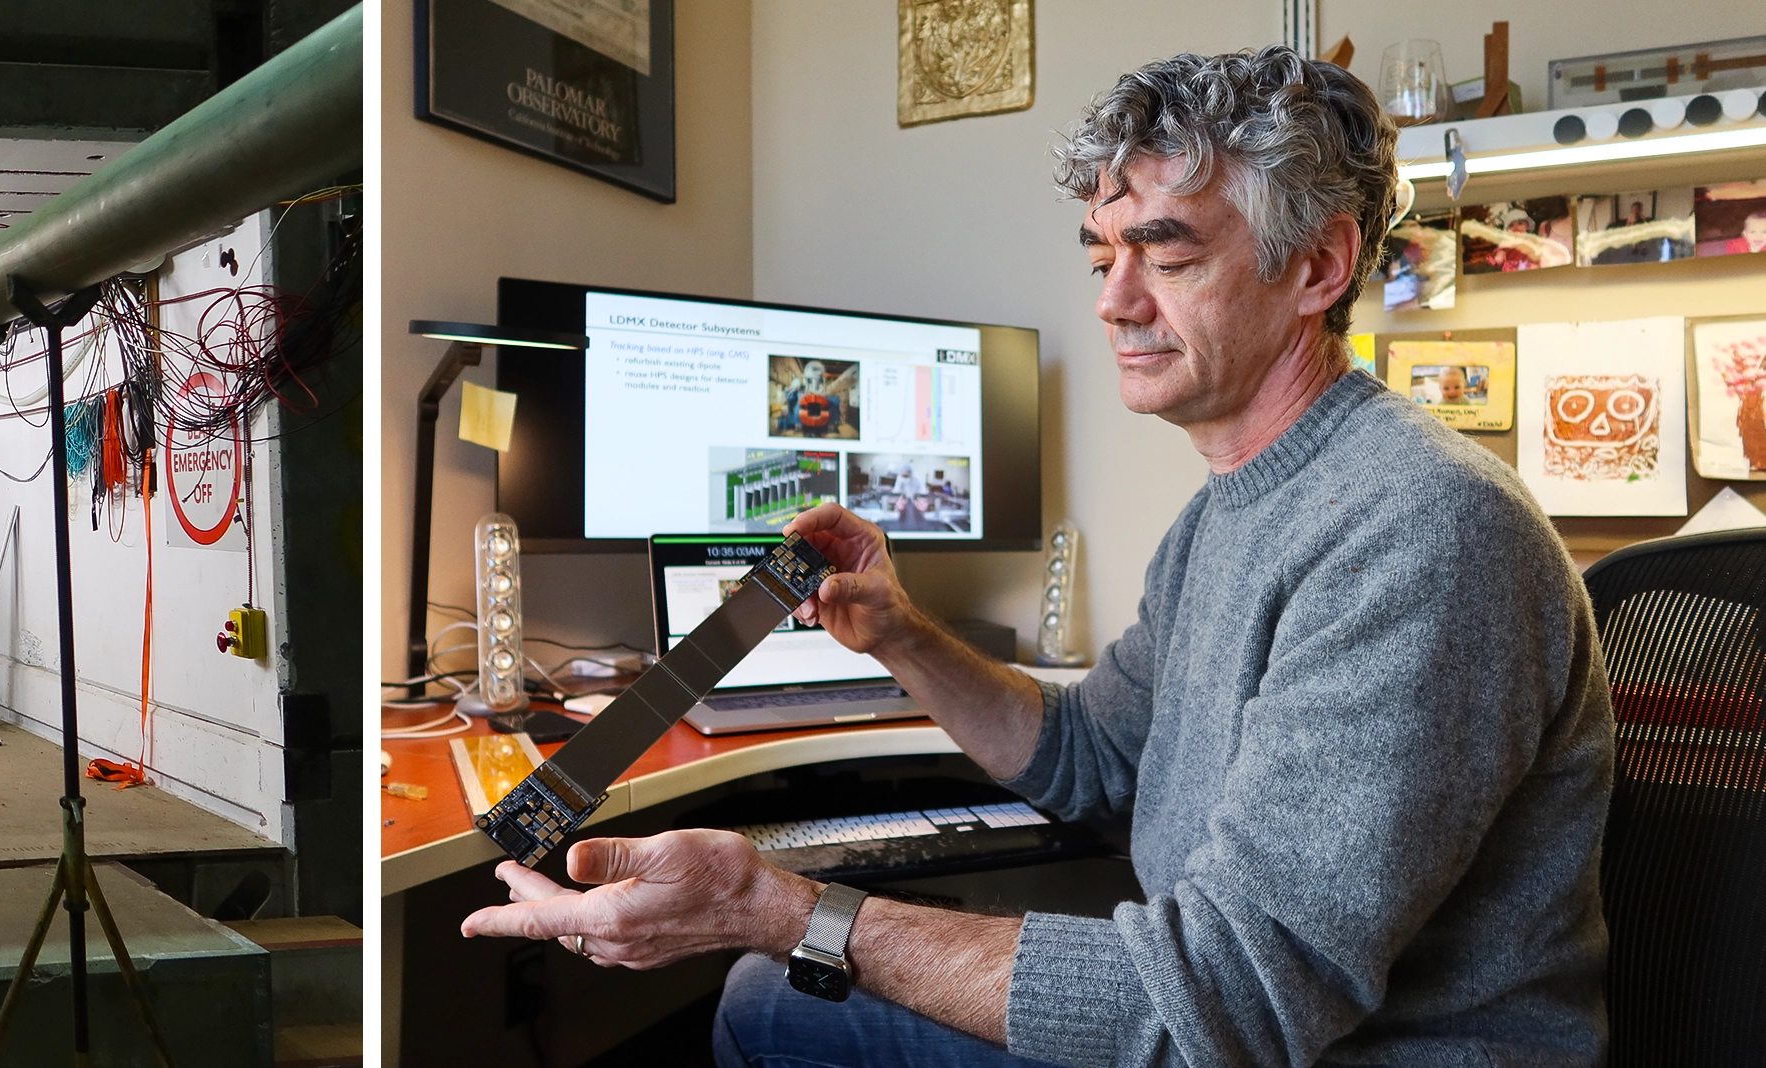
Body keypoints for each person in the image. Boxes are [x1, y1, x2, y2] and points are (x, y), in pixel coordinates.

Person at [461, 45, 1612, 1067]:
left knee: (775, 1002)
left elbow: (1224, 1009)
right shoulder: (1226, 515)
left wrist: (776, 906)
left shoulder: (1420, 532)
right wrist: (903, 637)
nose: (1112, 302)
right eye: (1100, 254)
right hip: (1248, 1028)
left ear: (1316, 266)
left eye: (1162, 255)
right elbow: (1093, 759)